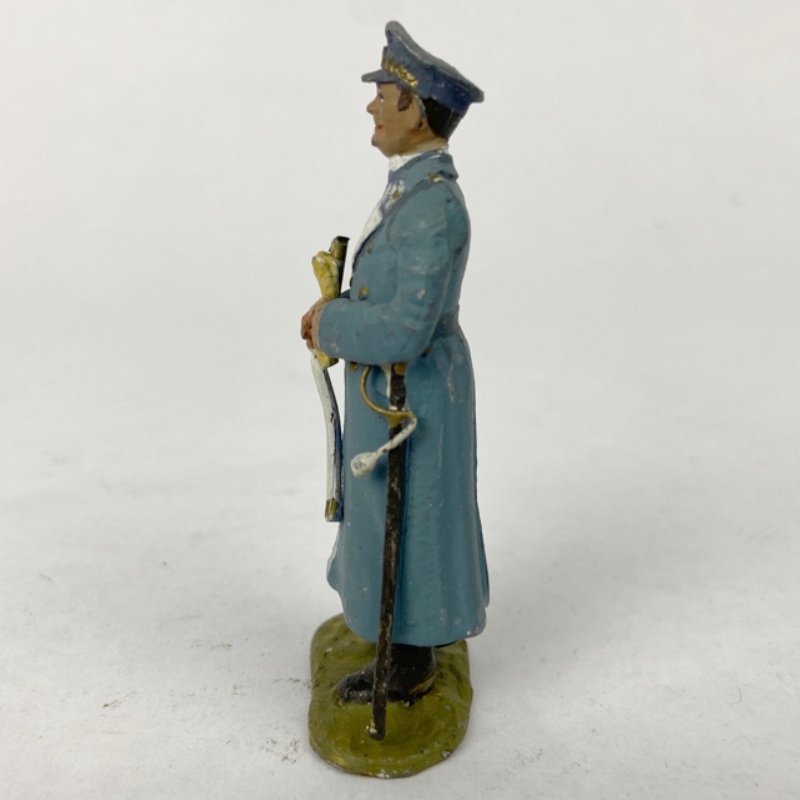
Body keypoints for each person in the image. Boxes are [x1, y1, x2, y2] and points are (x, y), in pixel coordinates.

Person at [301, 21, 489, 704]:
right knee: (386, 517)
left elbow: (407, 330)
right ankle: (390, 632)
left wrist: (330, 322)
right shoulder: (411, 190)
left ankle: (410, 660)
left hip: (416, 399)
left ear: (415, 109)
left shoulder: (433, 207)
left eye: (384, 95)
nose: (372, 106)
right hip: (389, 397)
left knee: (414, 525)